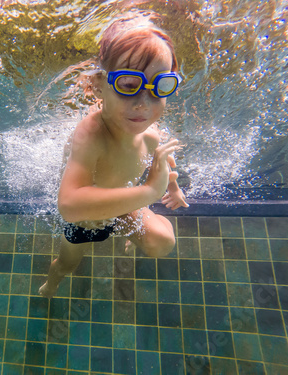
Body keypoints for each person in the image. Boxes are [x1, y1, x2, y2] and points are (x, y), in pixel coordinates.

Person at [39, 12, 189, 298]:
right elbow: (70, 204)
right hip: (84, 221)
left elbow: (164, 158)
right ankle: (53, 282)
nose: (143, 103)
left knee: (163, 243)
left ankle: (132, 229)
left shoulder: (152, 133)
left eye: (161, 86)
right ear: (99, 84)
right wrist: (148, 192)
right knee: (68, 264)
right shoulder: (91, 134)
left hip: (124, 209)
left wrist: (172, 187)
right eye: (128, 86)